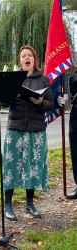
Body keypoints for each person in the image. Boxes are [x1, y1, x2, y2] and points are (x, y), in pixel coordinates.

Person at [2, 45, 54, 221]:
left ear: (34, 59)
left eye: (29, 55)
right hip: (15, 128)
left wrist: (39, 102)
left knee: (32, 166)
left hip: (36, 129)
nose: (26, 58)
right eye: (23, 55)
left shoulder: (43, 79)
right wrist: (10, 95)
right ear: (20, 61)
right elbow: (2, 103)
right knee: (11, 165)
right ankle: (8, 204)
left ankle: (30, 203)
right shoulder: (14, 78)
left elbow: (50, 104)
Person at [57, 71, 77, 199]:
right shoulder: (73, 76)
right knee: (75, 151)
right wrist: (65, 98)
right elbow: (72, 95)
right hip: (76, 114)